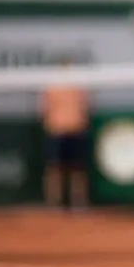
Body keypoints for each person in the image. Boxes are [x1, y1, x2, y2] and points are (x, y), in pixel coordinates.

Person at [39, 56, 91, 210]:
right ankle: (53, 203)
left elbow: (85, 107)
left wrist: (80, 123)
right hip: (56, 131)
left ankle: (79, 202)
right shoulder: (51, 86)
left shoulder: (78, 87)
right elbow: (44, 110)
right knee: (54, 168)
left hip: (75, 130)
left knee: (77, 169)